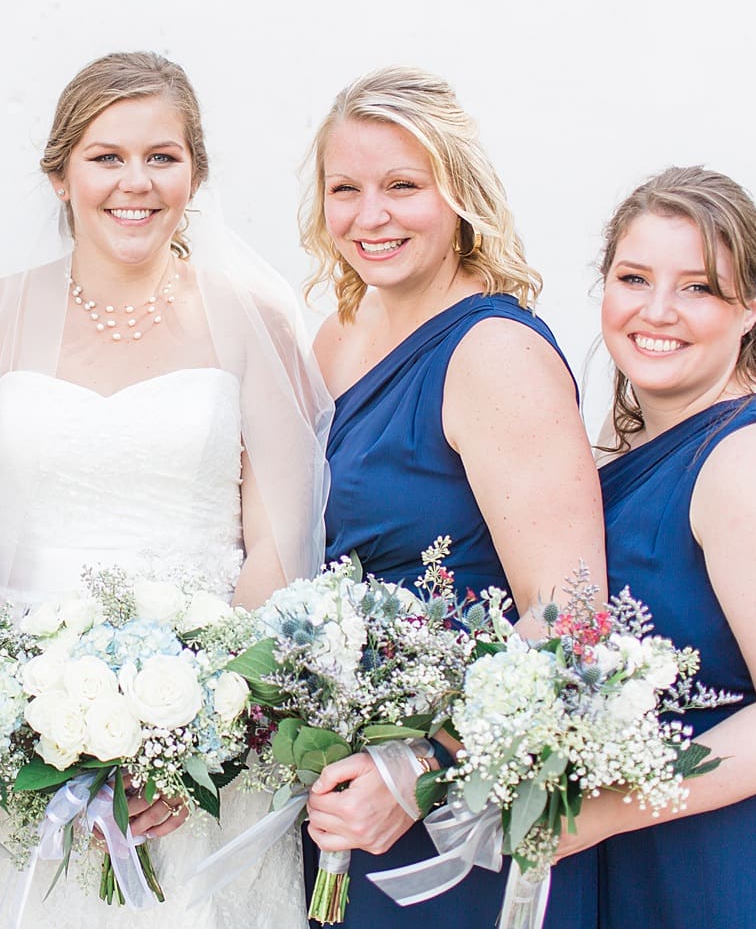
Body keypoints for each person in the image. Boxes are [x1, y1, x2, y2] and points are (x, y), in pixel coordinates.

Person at [0, 51, 332, 927]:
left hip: (205, 745)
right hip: (19, 745)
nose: (133, 183)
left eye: (161, 157)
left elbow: (278, 558)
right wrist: (31, 727)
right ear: (60, 174)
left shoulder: (253, 321)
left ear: (194, 175)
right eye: (106, 157)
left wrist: (189, 740)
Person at [299, 67, 603, 927]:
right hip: (340, 793)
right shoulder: (338, 336)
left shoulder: (492, 353)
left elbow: (568, 615)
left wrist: (421, 766)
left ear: (460, 195)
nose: (370, 215)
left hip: (456, 811)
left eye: (403, 185)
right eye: (344, 189)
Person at [551, 166, 756, 926]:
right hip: (660, 837)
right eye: (633, 277)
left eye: (697, 287)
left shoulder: (755, 461)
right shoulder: (643, 434)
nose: (657, 310)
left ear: (751, 307)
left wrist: (597, 812)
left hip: (750, 859)